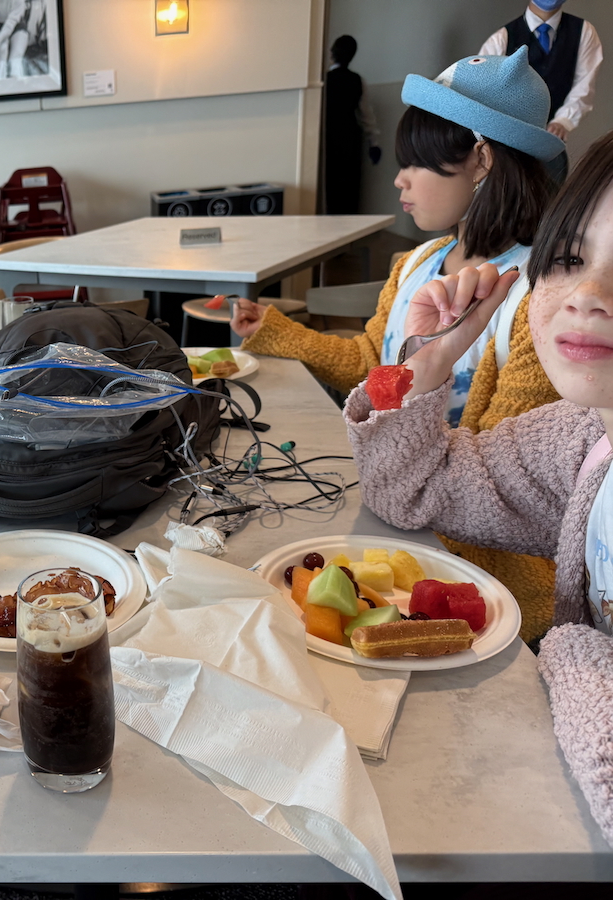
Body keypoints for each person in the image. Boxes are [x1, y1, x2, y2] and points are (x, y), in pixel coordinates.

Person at [344, 129, 613, 849]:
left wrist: (566, 650)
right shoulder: (582, 440)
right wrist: (422, 368)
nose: (588, 295)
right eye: (570, 259)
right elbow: (412, 489)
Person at [232, 47, 560, 427]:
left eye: (416, 162)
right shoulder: (414, 264)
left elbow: (505, 452)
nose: (399, 180)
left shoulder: (538, 297)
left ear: (481, 160)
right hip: (388, 460)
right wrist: (274, 330)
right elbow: (372, 364)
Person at [479, 0, 603, 183]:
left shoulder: (583, 32)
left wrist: (563, 121)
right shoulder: (501, 39)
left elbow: (584, 87)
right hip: (507, 150)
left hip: (550, 152)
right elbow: (482, 91)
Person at [324, 35, 382, 215]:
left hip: (328, 137)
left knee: (330, 187)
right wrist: (374, 143)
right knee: (350, 188)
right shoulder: (357, 80)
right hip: (350, 138)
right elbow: (366, 115)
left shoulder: (324, 80)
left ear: (332, 53)